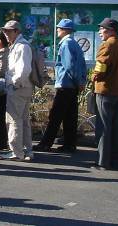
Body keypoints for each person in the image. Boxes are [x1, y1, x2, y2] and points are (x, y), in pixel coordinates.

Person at [34, 18, 88, 153]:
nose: (57, 30)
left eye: (59, 28)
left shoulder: (66, 44)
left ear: (65, 30)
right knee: (70, 116)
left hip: (66, 84)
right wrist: (81, 82)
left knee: (56, 115)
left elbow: (69, 66)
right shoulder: (74, 43)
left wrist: (77, 82)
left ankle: (46, 143)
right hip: (73, 86)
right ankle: (70, 144)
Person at [91, 18, 118, 170]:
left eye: (102, 29)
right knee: (116, 127)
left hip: (106, 90)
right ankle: (116, 160)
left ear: (110, 30)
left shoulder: (108, 44)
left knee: (104, 127)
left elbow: (101, 67)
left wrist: (93, 77)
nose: (100, 32)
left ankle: (102, 162)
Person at [1, 20, 34, 161]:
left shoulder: (21, 47)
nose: (6, 34)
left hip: (18, 88)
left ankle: (16, 152)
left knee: (14, 120)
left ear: (17, 32)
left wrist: (14, 83)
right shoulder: (19, 45)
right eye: (5, 31)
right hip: (24, 88)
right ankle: (27, 151)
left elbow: (24, 70)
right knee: (23, 120)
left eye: (9, 31)